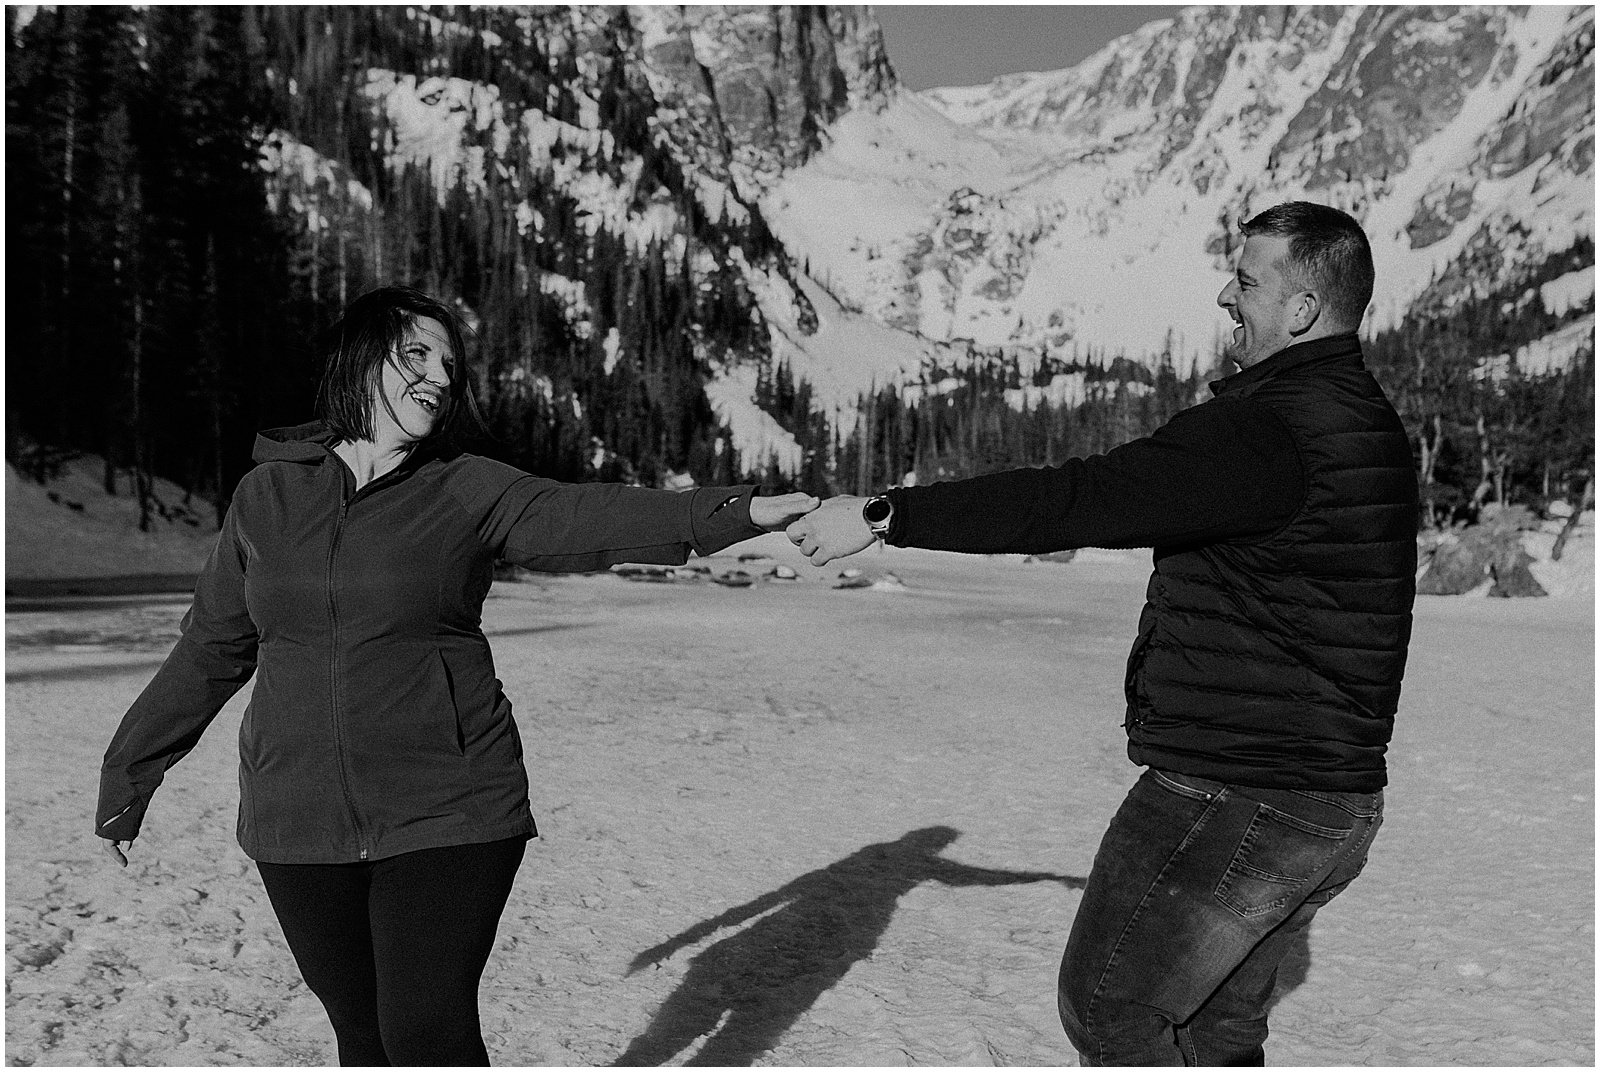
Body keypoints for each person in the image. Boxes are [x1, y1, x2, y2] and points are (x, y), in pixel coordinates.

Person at [95, 285, 817, 1067]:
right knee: (365, 1037)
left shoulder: (466, 488)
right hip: (295, 815)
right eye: (416, 354)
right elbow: (212, 647)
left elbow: (585, 514)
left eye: (449, 364)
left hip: (451, 803)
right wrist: (129, 771)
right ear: (359, 359)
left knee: (425, 1036)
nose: (438, 377)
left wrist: (736, 511)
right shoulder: (267, 495)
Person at [786, 202, 1417, 1065]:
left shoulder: (1264, 429)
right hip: (1327, 798)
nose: (1225, 294)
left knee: (1112, 1009)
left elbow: (1075, 498)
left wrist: (886, 515)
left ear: (1303, 308)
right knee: (1211, 1029)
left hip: (1239, 789)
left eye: (1246, 279)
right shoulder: (1360, 417)